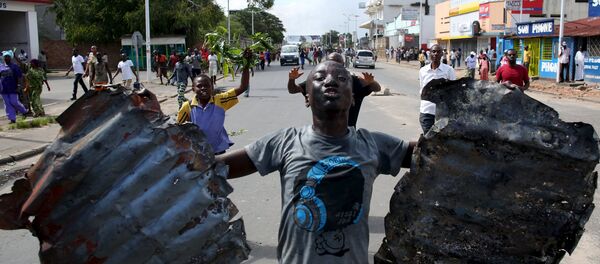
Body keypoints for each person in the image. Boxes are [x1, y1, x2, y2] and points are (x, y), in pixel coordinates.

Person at [217, 60, 415, 264]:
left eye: (341, 78)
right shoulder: (284, 142)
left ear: (353, 98)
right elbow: (213, 168)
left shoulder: (373, 144)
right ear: (307, 97)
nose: (330, 81)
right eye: (320, 78)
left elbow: (434, 153)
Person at [176, 49, 251, 154]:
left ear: (212, 87)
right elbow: (178, 130)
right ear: (193, 89)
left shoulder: (220, 100)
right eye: (199, 86)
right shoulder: (187, 107)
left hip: (218, 150)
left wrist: (246, 64)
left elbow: (243, 87)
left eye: (206, 85)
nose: (203, 88)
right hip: (198, 153)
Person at [287, 52, 381, 127]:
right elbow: (293, 90)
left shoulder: (353, 81)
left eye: (337, 64)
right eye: (331, 63)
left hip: (348, 137)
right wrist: (291, 79)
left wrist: (371, 82)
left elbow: (376, 88)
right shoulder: (318, 80)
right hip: (321, 136)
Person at [419, 44, 456, 134]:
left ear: (441, 54)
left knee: (440, 139)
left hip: (443, 113)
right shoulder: (423, 71)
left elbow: (453, 91)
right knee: (428, 138)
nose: (435, 54)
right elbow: (422, 89)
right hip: (426, 110)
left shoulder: (449, 70)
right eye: (433, 51)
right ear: (430, 54)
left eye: (438, 52)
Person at [1, 50, 29, 123]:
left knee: (14, 102)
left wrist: (19, 86)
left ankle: (24, 111)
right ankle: (12, 119)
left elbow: (19, 77)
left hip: (13, 88)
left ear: (11, 58)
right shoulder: (1, 66)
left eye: (8, 57)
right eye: (5, 57)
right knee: (7, 104)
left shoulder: (14, 66)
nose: (6, 58)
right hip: (3, 89)